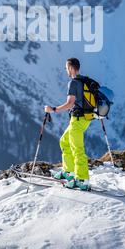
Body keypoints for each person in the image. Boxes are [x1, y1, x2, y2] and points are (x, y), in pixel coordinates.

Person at [44, 57, 91, 191]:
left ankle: (82, 180)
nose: (66, 70)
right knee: (64, 141)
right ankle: (68, 172)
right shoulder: (84, 81)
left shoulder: (74, 83)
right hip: (83, 119)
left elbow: (70, 103)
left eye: (66, 67)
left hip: (78, 120)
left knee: (78, 150)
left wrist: (53, 109)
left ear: (70, 68)